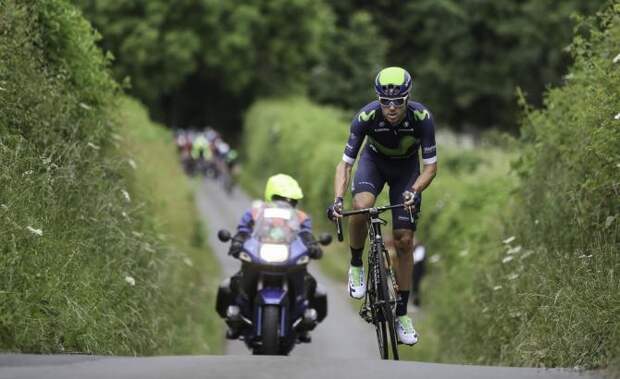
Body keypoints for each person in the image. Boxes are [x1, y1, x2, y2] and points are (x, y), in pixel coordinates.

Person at [327, 66, 437, 345]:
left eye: (397, 101)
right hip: (373, 163)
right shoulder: (366, 117)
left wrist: (414, 190)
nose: (390, 108)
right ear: (378, 99)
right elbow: (346, 164)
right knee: (362, 205)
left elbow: (431, 167)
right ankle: (356, 266)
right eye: (384, 101)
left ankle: (401, 315)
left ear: (407, 98)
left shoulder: (422, 118)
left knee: (404, 240)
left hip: (407, 172)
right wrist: (338, 199)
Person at [227, 174, 323, 339]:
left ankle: (303, 319)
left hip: (289, 258)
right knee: (230, 284)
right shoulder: (255, 213)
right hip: (259, 256)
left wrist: (313, 245)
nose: (286, 203)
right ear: (269, 196)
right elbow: (243, 230)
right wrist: (237, 241)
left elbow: (307, 234)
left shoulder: (301, 217)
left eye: (291, 200)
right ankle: (236, 316)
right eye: (280, 198)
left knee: (313, 285)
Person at [411, 238, 427, 307]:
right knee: (415, 285)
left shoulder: (420, 249)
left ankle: (417, 302)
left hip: (418, 270)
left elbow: (417, 258)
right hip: (415, 271)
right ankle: (415, 301)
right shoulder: (415, 249)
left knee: (417, 285)